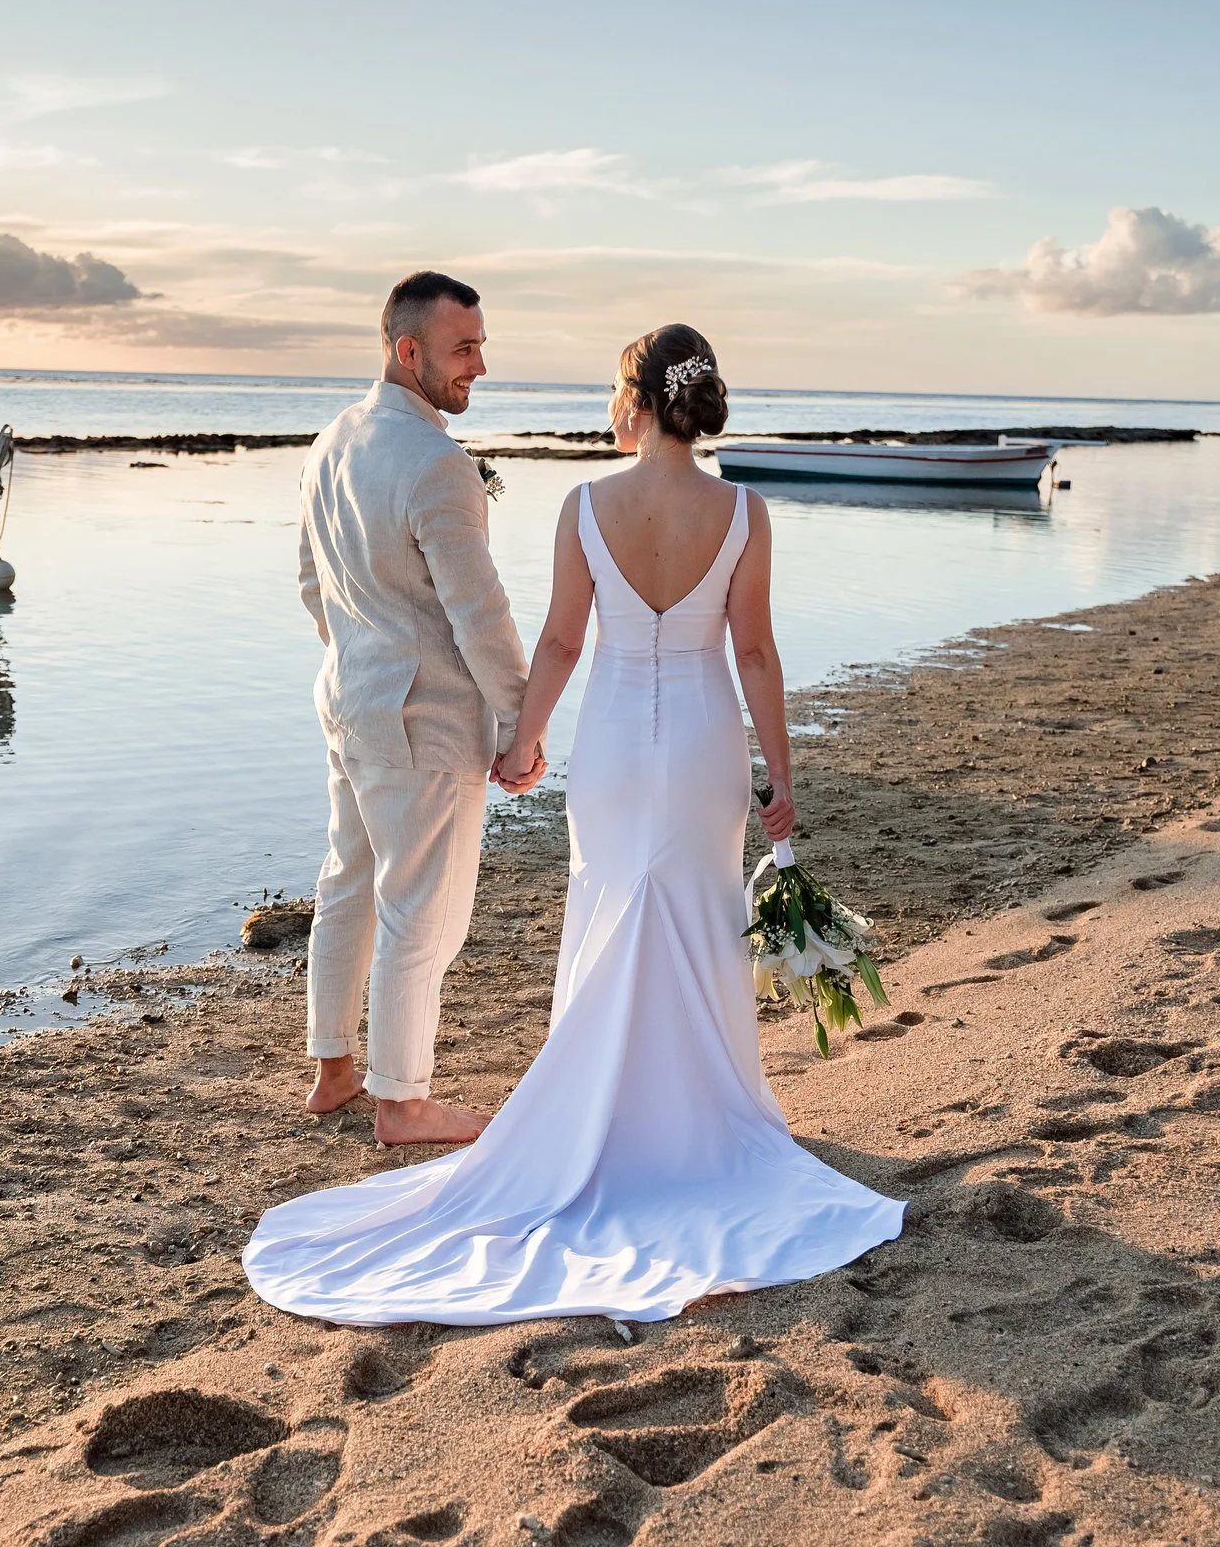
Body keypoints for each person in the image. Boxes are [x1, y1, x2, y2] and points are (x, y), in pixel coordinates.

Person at [246, 324, 904, 1324]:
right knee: (691, 913)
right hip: (700, 740)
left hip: (609, 746)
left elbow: (559, 638)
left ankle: (601, 1116)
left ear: (633, 401)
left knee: (611, 907)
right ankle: (696, 1120)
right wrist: (781, 770)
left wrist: (521, 739)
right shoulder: (742, 511)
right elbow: (757, 654)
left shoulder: (586, 505)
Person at [294, 271, 541, 1148]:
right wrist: (521, 723)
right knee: (420, 909)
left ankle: (334, 1070)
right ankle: (402, 1101)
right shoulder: (438, 463)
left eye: (479, 343)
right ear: (408, 350)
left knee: (348, 882)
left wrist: (358, 654)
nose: (479, 363)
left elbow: (309, 583)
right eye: (463, 347)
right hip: (421, 717)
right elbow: (481, 613)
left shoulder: (333, 440)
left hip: (349, 699)